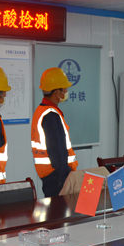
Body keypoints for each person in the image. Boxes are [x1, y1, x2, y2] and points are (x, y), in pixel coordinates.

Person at [31, 67, 78, 197]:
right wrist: (66, 177)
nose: (66, 91)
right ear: (57, 92)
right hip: (57, 177)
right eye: (64, 89)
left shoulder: (41, 110)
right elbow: (57, 152)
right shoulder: (51, 115)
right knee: (60, 208)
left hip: (50, 175)